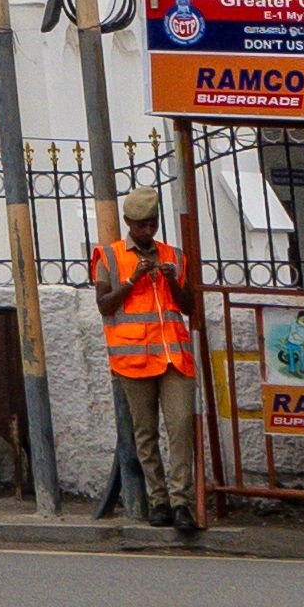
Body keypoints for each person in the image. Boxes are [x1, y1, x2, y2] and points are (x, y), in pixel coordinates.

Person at [88, 175, 203, 535]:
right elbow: (105, 305)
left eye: (152, 224)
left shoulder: (173, 256)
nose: (147, 230)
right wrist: (133, 279)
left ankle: (181, 502)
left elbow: (189, 306)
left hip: (174, 356)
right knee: (145, 433)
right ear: (128, 223)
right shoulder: (109, 256)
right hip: (134, 358)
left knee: (181, 426)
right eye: (141, 225)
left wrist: (170, 280)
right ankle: (159, 501)